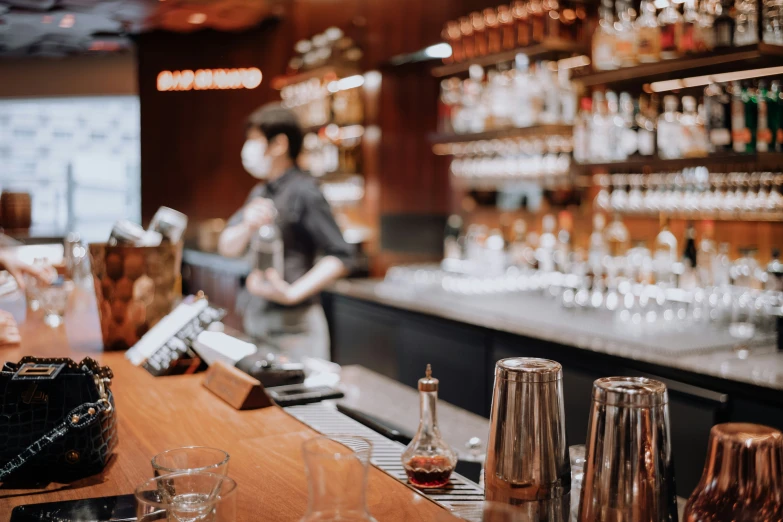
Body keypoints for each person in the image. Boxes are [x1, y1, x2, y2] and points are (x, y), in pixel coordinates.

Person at [218, 104, 353, 360]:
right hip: (257, 317)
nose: (248, 149)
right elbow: (227, 246)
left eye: (254, 140)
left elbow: (343, 254)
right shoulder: (261, 192)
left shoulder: (305, 191)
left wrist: (293, 294)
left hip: (295, 325)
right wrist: (246, 224)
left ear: (279, 144)